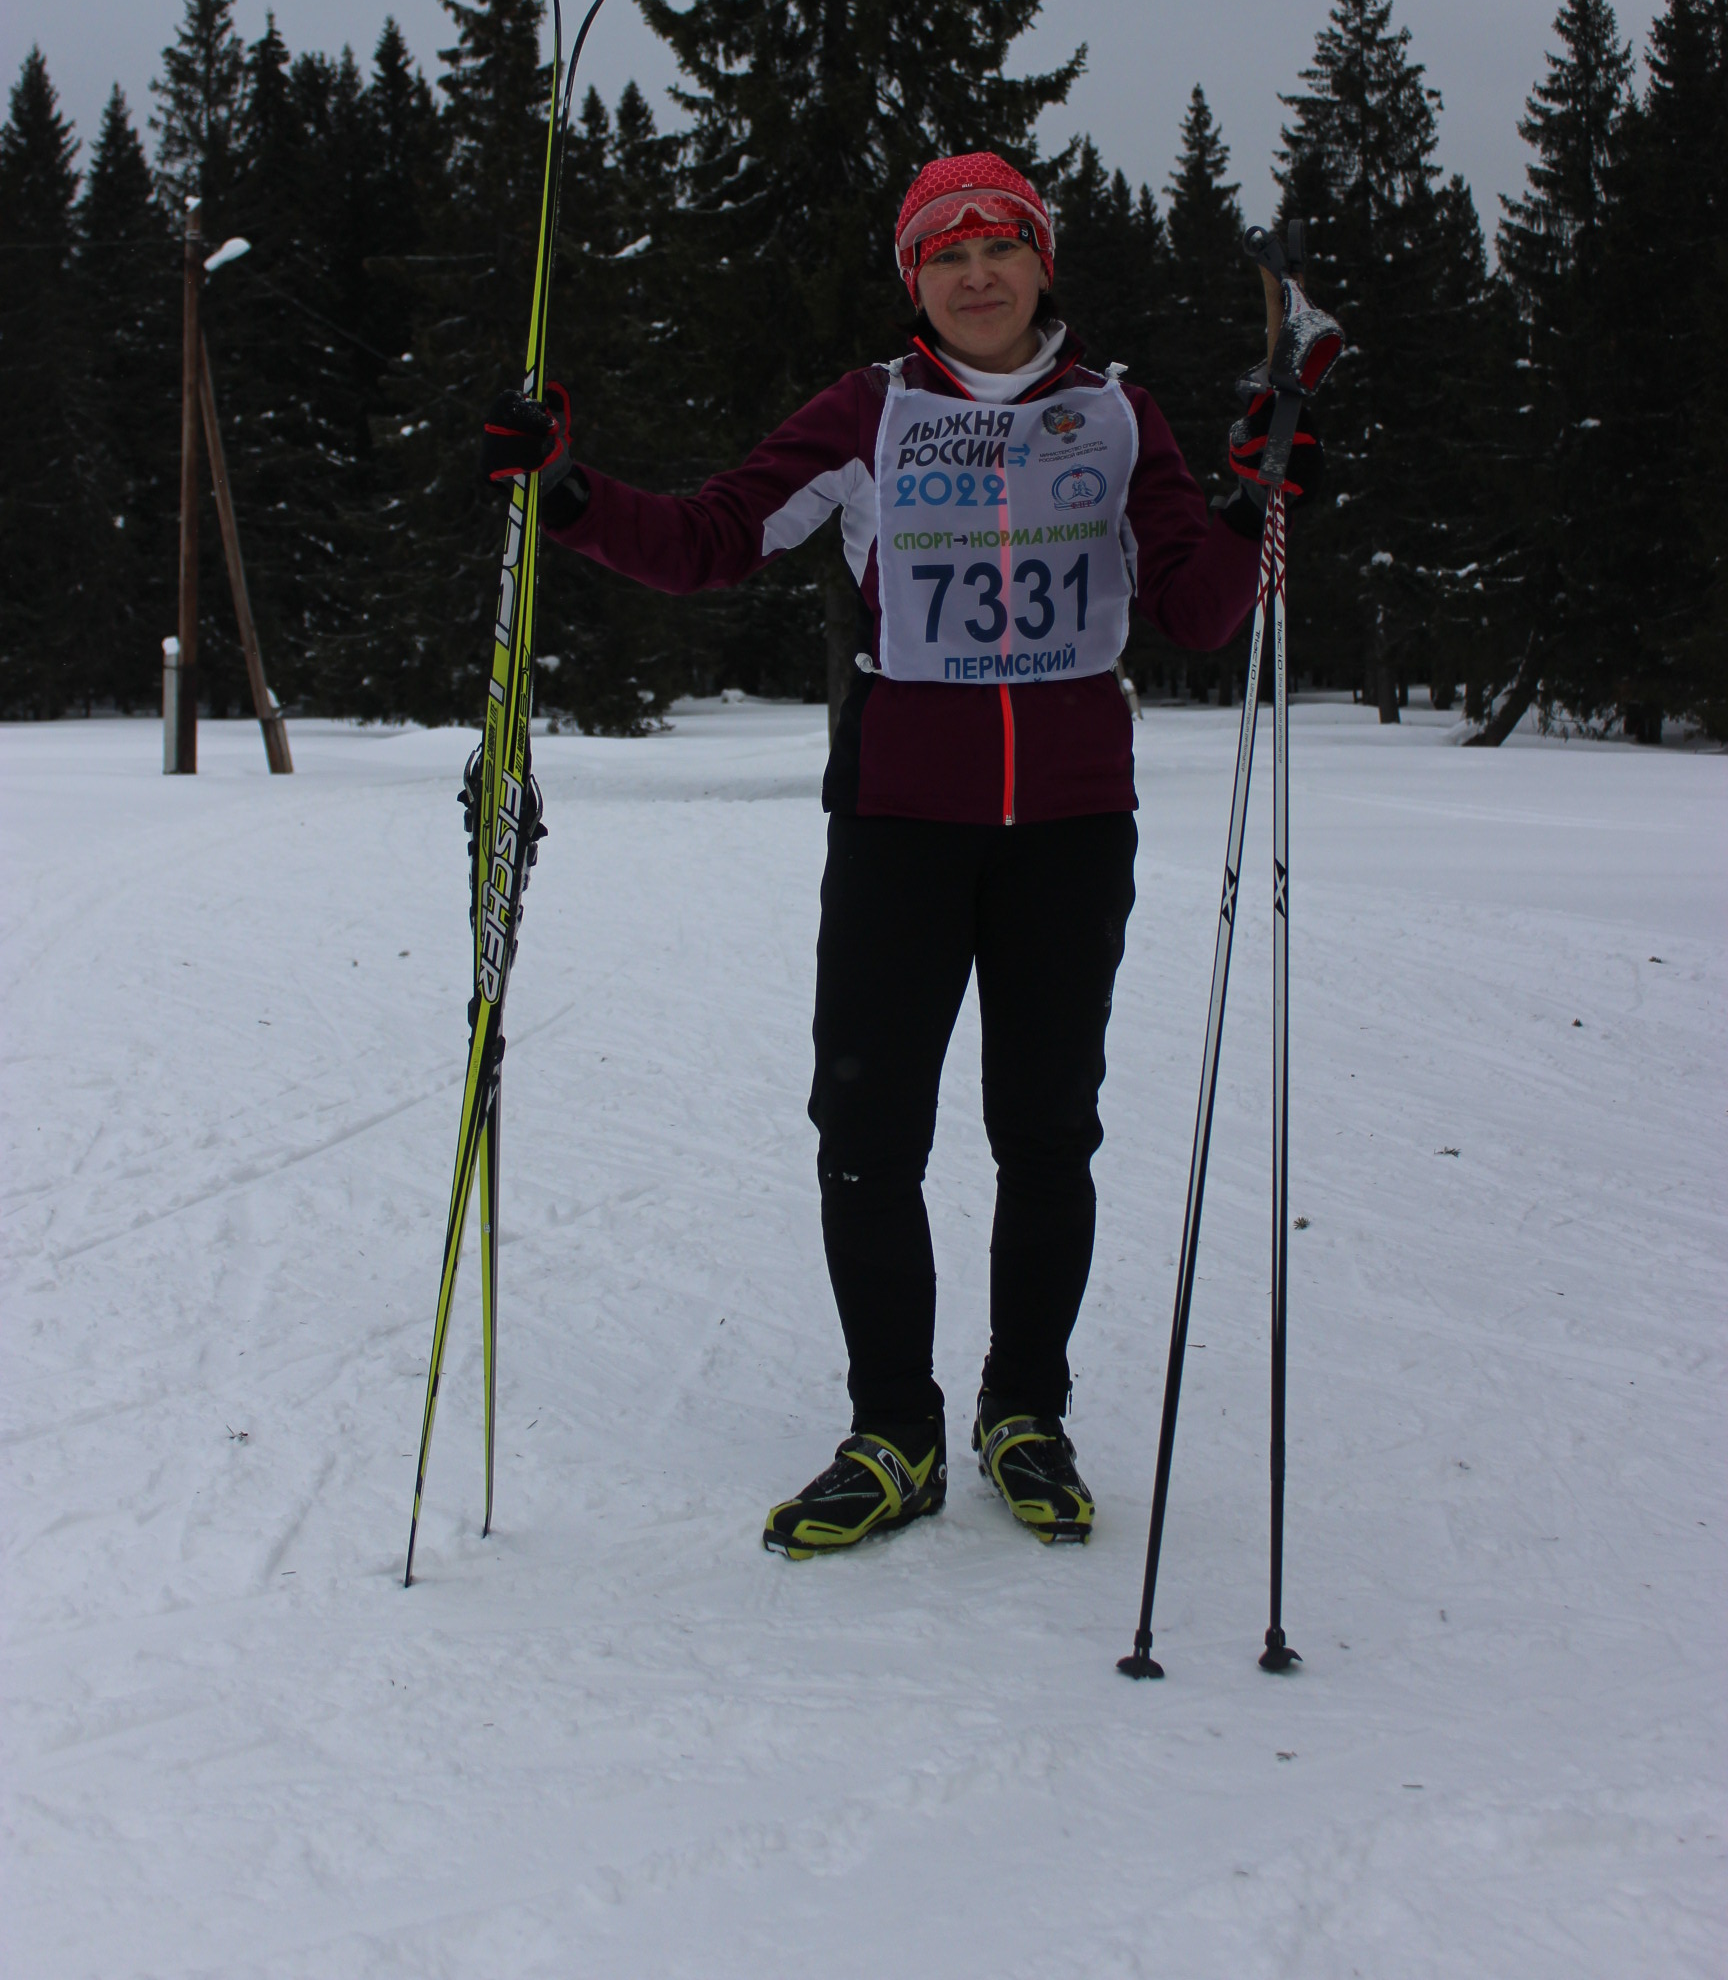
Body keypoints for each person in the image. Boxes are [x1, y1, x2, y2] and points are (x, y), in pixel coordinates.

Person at [482, 151, 1317, 1560]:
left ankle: (1025, 1413)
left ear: (1043, 262)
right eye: (947, 253)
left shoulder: (1118, 416)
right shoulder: (868, 412)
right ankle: (895, 1433)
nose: (978, 274)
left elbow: (1194, 610)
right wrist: (563, 491)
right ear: (914, 279)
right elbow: (712, 540)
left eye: (1002, 245)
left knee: (1046, 1132)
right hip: (901, 827)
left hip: (1069, 830)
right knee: (868, 1136)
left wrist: (1252, 504)